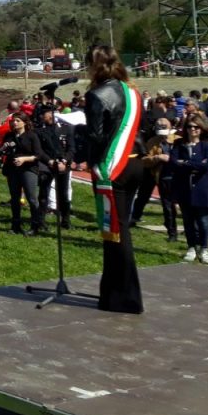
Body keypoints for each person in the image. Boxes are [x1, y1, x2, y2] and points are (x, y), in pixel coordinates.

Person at [80, 45, 145, 314]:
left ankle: (126, 298)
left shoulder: (97, 94)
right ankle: (110, 294)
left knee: (115, 233)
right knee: (118, 229)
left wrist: (81, 139)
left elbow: (96, 136)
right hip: (134, 162)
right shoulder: (132, 91)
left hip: (113, 168)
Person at [0, 113, 50, 236]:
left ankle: (35, 225)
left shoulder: (32, 136)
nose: (14, 123)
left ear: (25, 122)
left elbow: (38, 154)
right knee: (15, 198)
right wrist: (3, 148)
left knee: (31, 198)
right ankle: (15, 225)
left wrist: (24, 159)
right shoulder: (9, 135)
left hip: (28, 169)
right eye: (13, 121)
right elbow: (0, 151)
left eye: (17, 120)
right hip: (12, 169)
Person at [171, 117, 208, 264]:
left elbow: (206, 166)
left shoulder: (206, 145)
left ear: (202, 129)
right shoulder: (179, 144)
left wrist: (185, 163)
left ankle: (204, 249)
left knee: (203, 221)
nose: (193, 129)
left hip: (202, 189)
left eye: (196, 127)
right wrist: (195, 164)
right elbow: (173, 163)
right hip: (184, 188)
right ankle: (191, 247)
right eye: (190, 126)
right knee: (188, 220)